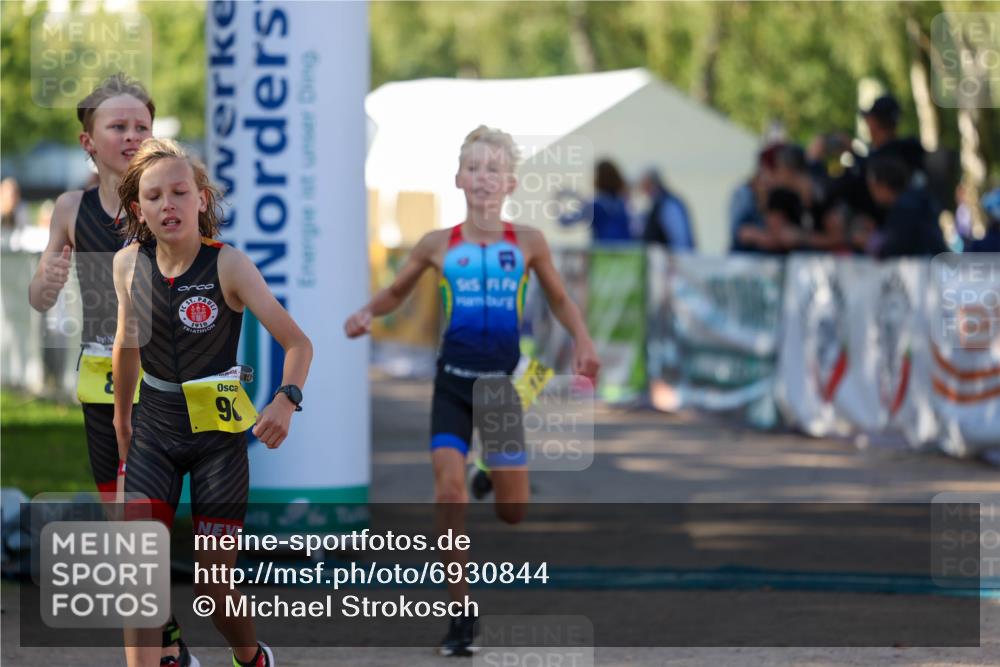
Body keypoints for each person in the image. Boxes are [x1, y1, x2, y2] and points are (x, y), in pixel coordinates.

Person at [344, 125, 600, 656]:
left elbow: (559, 298)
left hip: (503, 392)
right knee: (448, 492)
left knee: (513, 511)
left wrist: (582, 340)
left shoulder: (527, 242)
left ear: (509, 182)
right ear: (459, 178)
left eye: (493, 170)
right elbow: (396, 290)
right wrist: (368, 312)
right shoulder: (439, 244)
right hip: (453, 386)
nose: (483, 179)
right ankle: (460, 614)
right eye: (474, 168)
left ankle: (491, 471)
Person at [112, 138, 313, 667]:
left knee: (213, 582)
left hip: (217, 442)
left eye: (180, 192)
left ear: (202, 199)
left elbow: (299, 344)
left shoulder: (230, 266)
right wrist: (121, 417)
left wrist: (285, 400)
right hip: (154, 428)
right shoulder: (127, 264)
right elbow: (125, 342)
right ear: (139, 209)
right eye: (154, 197)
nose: (168, 205)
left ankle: (250, 657)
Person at [25, 74, 200, 667]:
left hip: (159, 390)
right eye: (117, 127)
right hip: (98, 389)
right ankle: (169, 640)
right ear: (87, 141)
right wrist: (44, 284)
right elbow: (40, 295)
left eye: (142, 127)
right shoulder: (70, 208)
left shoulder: (166, 204)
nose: (131, 136)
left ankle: (162, 654)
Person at [858, 154, 948, 258]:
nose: (871, 193)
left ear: (882, 185)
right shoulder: (915, 200)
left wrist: (870, 243)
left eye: (872, 187)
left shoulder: (905, 208)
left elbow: (897, 248)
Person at [559, 159, 632, 242]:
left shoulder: (595, 206)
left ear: (597, 179)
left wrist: (557, 203)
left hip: (603, 252)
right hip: (628, 252)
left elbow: (564, 222)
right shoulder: (624, 202)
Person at [639, 168, 695, 251]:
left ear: (649, 183)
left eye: (643, 184)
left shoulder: (667, 203)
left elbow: (679, 237)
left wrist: (680, 258)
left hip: (675, 258)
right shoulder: (658, 202)